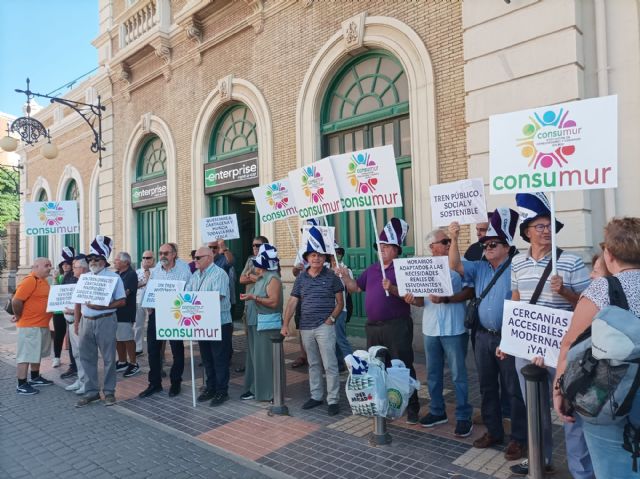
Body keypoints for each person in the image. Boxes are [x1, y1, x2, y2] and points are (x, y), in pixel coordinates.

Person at [508, 193, 593, 477]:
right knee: (535, 408)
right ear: (526, 232)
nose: (546, 231)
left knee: (569, 410)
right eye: (539, 226)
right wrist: (508, 341)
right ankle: (539, 459)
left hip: (563, 350)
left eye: (549, 226)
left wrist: (565, 292)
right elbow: (516, 300)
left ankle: (579, 468)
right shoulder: (517, 263)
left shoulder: (570, 261)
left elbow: (586, 304)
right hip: (527, 348)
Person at [554, 217, 640, 478]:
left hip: (610, 394)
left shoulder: (602, 289)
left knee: (612, 466)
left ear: (609, 254)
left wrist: (559, 387)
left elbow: (571, 342)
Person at [448, 208, 527, 461]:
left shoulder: (517, 267)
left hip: (509, 338)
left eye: (493, 243)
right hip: (483, 337)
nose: (487, 247)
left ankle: (518, 438)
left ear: (506, 246)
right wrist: (454, 235)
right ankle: (494, 431)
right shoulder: (480, 267)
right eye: (485, 243)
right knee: (487, 386)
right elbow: (454, 264)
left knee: (513, 390)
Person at [338, 217, 421, 424]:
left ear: (396, 249)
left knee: (402, 366)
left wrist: (392, 289)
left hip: (397, 326)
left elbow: (417, 300)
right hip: (373, 328)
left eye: (386, 246)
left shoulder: (403, 268)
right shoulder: (373, 269)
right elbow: (356, 288)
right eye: (379, 246)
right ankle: (383, 404)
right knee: (376, 368)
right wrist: (344, 277)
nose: (381, 249)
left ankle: (412, 408)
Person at [404, 229, 474, 437]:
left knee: (458, 374)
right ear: (432, 247)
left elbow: (470, 291)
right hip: (431, 328)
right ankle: (437, 411)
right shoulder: (422, 268)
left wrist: (446, 298)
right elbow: (419, 300)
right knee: (433, 374)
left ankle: (463, 416)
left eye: (449, 241)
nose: (447, 244)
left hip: (454, 328)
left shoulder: (460, 266)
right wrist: (411, 299)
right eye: (444, 241)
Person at [282, 227, 344, 416]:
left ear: (325, 258)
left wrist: (331, 319)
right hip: (306, 328)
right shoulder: (301, 278)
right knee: (313, 364)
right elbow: (293, 301)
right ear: (307, 258)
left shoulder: (332, 277)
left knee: (330, 364)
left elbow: (340, 302)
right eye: (312, 255)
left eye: (319, 255)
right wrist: (285, 324)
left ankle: (333, 399)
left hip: (325, 327)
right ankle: (316, 396)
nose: (316, 258)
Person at [75, 236, 126, 407]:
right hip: (86, 321)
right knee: (86, 357)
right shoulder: (84, 278)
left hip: (105, 320)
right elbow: (78, 300)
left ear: (104, 261)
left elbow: (122, 301)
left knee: (109, 358)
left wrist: (103, 308)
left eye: (97, 259)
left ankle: (110, 392)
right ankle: (91, 392)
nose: (93, 261)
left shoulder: (114, 278)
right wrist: (77, 322)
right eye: (90, 259)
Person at [138, 243, 192, 398]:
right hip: (157, 313)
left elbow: (188, 290)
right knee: (153, 350)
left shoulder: (184, 270)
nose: (162, 256)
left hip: (175, 313)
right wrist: (148, 304)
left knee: (177, 349)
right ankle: (154, 383)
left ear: (174, 254)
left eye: (166, 253)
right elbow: (150, 288)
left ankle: (176, 383)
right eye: (160, 253)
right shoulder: (156, 270)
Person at [187, 245, 233, 406]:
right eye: (194, 258)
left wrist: (195, 303)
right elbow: (188, 295)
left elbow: (217, 297)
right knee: (206, 359)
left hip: (219, 323)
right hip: (201, 323)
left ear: (208, 257)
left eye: (198, 258)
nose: (195, 260)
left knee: (219, 359)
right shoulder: (195, 275)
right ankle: (211, 387)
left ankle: (222, 391)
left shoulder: (219, 274)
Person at [239, 243, 282, 401]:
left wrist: (253, 297)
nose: (254, 267)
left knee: (265, 359)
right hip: (254, 322)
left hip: (266, 324)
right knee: (254, 358)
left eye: (256, 264)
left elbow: (273, 302)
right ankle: (255, 388)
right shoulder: (262, 278)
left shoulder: (273, 279)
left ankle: (270, 391)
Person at [13, 257, 55, 395]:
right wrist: (18, 315)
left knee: (36, 353)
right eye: (46, 265)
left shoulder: (43, 281)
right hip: (29, 326)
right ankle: (21, 384)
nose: (49, 267)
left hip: (41, 324)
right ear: (36, 267)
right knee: (25, 355)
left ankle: (35, 377)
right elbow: (16, 301)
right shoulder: (30, 280)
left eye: (50, 265)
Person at [238, 235, 269, 374]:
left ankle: (262, 367)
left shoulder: (271, 260)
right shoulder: (250, 260)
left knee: (262, 339)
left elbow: (270, 281)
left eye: (258, 245)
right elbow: (241, 279)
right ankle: (251, 366)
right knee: (249, 338)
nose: (255, 248)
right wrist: (255, 277)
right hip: (249, 305)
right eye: (253, 245)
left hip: (264, 305)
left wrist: (251, 276)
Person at [63, 256, 89, 395]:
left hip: (81, 323)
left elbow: (87, 305)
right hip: (73, 322)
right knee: (76, 354)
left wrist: (73, 312)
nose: (73, 269)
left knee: (83, 354)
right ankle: (81, 379)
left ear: (83, 269)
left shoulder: (87, 282)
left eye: (75, 267)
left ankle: (87, 382)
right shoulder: (77, 281)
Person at [114, 252, 139, 377]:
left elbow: (126, 292)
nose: (114, 261)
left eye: (117, 259)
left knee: (127, 338)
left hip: (125, 311)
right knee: (118, 338)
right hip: (114, 311)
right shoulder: (115, 274)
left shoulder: (131, 274)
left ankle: (134, 363)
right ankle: (122, 361)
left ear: (126, 262)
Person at [58, 247, 80, 379]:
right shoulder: (66, 276)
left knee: (78, 345)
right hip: (68, 315)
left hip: (77, 315)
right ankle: (73, 366)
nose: (68, 266)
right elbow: (61, 293)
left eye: (71, 263)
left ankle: (79, 368)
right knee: (71, 344)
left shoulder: (80, 277)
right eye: (65, 263)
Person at [52, 246, 76, 369]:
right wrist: (55, 279)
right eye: (63, 264)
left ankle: (73, 362)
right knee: (59, 334)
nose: (65, 266)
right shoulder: (59, 277)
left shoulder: (76, 276)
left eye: (68, 263)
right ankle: (56, 357)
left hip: (72, 311)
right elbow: (55, 293)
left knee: (73, 337)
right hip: (59, 311)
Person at [331, 243, 353, 369]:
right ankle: (339, 364)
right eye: (334, 253)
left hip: (340, 309)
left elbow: (350, 290)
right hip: (328, 309)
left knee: (341, 339)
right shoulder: (325, 270)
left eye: (339, 253)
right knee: (333, 340)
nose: (336, 256)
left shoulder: (346, 269)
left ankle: (353, 366)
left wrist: (343, 275)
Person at [135, 250, 155, 355]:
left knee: (152, 325)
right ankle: (138, 347)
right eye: (144, 258)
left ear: (153, 259)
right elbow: (133, 285)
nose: (146, 260)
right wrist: (144, 282)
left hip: (153, 302)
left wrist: (149, 277)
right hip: (139, 301)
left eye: (148, 258)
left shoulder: (157, 271)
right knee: (138, 325)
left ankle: (156, 349)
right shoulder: (137, 272)